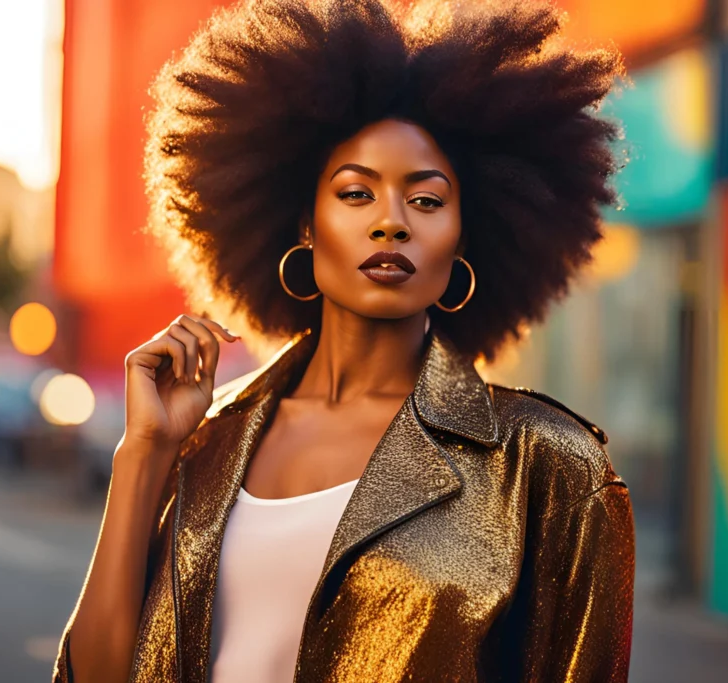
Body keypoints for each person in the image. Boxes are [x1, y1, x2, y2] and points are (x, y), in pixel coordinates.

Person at [53, 0, 634, 681]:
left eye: (425, 200)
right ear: (305, 223)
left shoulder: (548, 469)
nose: (391, 222)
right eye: (357, 193)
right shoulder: (205, 438)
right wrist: (143, 456)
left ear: (465, 238)